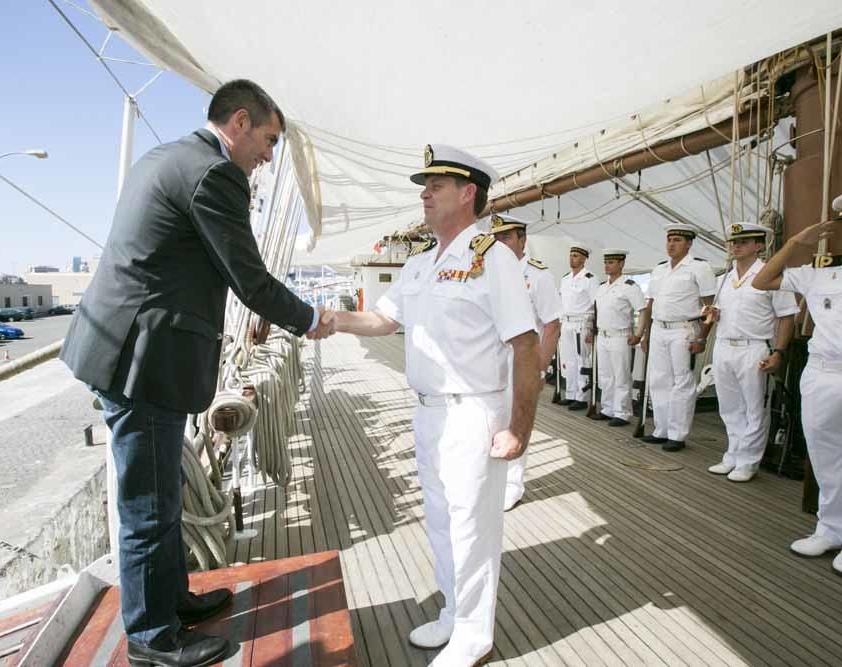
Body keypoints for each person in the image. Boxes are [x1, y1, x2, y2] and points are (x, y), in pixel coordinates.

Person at [60, 80, 333, 666]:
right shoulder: (214, 175)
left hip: (135, 349)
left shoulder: (170, 156)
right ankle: (152, 638)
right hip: (143, 360)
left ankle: (170, 600)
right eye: (267, 140)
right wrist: (312, 319)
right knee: (148, 506)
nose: (267, 155)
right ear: (239, 122)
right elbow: (250, 280)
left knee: (159, 493)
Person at [322, 144, 539, 666]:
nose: (424, 193)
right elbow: (383, 320)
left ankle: (473, 635)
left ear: (468, 194)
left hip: (472, 411)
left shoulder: (494, 260)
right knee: (441, 521)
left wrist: (519, 428)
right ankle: (453, 613)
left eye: (435, 185)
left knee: (471, 527)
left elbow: (526, 346)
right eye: (425, 185)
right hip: (428, 412)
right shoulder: (420, 264)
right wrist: (324, 318)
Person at [753, 192, 842, 577]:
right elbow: (763, 281)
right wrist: (797, 242)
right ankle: (830, 528)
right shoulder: (825, 270)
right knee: (826, 457)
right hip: (822, 376)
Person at [706, 222, 797, 482]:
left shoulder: (770, 274)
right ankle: (732, 455)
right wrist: (715, 314)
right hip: (724, 345)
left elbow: (787, 317)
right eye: (733, 241)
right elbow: (721, 311)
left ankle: (748, 462)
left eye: (743, 241)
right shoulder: (723, 277)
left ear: (759, 245)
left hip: (753, 347)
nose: (735, 246)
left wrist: (778, 352)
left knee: (755, 408)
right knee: (729, 406)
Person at [488, 213, 561, 510]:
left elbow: (552, 324)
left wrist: (540, 368)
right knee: (491, 420)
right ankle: (492, 481)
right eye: (496, 237)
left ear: (522, 240)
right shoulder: (487, 270)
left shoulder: (538, 275)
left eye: (506, 237)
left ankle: (512, 486)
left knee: (516, 420)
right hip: (490, 359)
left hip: (521, 358)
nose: (500, 243)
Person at [637, 224, 716, 451]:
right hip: (659, 328)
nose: (671, 244)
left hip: (684, 329)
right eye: (669, 239)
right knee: (659, 380)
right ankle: (661, 430)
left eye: (678, 240)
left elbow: (710, 306)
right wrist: (646, 334)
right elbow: (650, 305)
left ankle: (677, 434)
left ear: (689, 243)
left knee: (682, 382)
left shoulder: (699, 268)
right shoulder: (659, 269)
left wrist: (702, 337)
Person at [590, 249, 645, 427]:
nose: (607, 265)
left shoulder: (629, 286)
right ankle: (607, 409)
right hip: (603, 336)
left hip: (620, 336)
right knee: (605, 375)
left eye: (611, 262)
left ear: (621, 264)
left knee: (621, 376)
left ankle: (622, 412)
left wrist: (638, 334)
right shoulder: (601, 287)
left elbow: (642, 311)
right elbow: (596, 312)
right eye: (606, 262)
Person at [557, 243, 599, 411]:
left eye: (575, 255)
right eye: (571, 255)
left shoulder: (590, 279)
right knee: (568, 361)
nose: (572, 258)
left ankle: (582, 397)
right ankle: (571, 393)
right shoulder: (565, 279)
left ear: (583, 258)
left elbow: (597, 304)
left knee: (582, 360)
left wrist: (592, 328)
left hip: (582, 324)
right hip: (566, 323)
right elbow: (561, 303)